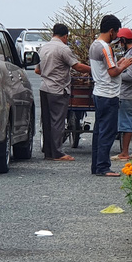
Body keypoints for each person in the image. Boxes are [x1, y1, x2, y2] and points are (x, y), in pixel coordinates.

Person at [35, 23, 91, 161]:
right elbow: (77, 66)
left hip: (44, 88)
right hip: (58, 89)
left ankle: (49, 153)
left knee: (47, 122)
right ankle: (58, 153)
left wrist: (49, 72)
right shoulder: (63, 48)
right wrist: (93, 69)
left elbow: (37, 70)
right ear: (65, 36)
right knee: (57, 122)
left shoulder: (43, 48)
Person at [89, 14, 132, 177]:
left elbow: (104, 69)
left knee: (99, 131)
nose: (116, 37)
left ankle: (96, 166)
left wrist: (119, 63)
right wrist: (124, 65)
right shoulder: (106, 48)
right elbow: (113, 72)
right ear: (111, 31)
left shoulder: (94, 45)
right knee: (108, 132)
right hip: (109, 94)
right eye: (115, 33)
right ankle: (103, 167)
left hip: (98, 92)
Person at [111, 28, 132, 161]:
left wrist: (116, 74)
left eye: (120, 41)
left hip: (129, 94)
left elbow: (130, 76)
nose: (119, 44)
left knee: (126, 124)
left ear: (124, 40)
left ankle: (124, 153)